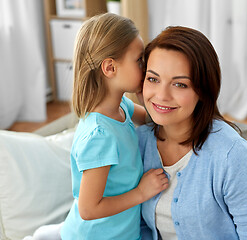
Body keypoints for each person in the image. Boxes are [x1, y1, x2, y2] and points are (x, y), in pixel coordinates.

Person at [137, 26, 247, 239]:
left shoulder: (230, 155)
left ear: (203, 90)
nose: (162, 95)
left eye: (180, 84)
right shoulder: (139, 142)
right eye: (153, 79)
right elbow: (137, 225)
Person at [58, 13, 168, 240]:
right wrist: (141, 193)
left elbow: (153, 120)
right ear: (109, 68)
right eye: (139, 60)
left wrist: (146, 95)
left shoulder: (121, 107)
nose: (146, 67)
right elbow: (88, 209)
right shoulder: (101, 135)